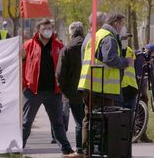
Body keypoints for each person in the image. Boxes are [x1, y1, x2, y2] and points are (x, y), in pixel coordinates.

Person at [22, 18, 79, 158]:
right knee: (26, 122)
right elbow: (21, 65)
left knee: (58, 123)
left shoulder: (59, 46)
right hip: (32, 91)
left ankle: (66, 150)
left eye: (50, 28)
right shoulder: (28, 45)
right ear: (38, 30)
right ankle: (18, 147)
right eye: (44, 28)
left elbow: (65, 68)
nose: (48, 31)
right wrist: (24, 85)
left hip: (53, 92)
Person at [78, 12, 132, 156]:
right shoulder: (108, 37)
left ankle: (87, 151)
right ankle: (98, 150)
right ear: (116, 23)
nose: (122, 27)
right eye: (121, 24)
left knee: (89, 119)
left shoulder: (97, 35)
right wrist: (126, 62)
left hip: (91, 84)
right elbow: (111, 59)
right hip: (100, 87)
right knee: (103, 121)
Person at [56, 21, 85, 155]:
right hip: (90, 90)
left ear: (71, 32)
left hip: (72, 92)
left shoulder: (67, 49)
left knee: (74, 121)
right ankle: (86, 147)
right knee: (86, 121)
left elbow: (60, 74)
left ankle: (74, 148)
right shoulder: (89, 46)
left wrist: (64, 91)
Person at [120, 27, 138, 109]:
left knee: (132, 114)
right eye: (124, 37)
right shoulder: (116, 50)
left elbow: (133, 68)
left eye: (127, 38)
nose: (126, 40)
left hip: (132, 87)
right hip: (121, 88)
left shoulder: (131, 51)